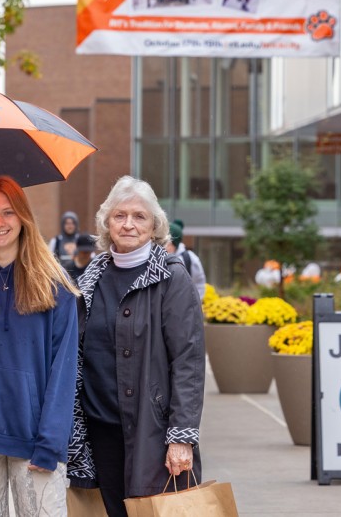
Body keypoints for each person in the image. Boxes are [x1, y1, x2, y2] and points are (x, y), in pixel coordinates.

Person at [67, 176, 206, 516]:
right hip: (100, 431)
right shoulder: (90, 279)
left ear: (154, 225)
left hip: (153, 432)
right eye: (119, 215)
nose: (128, 224)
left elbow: (188, 361)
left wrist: (182, 436)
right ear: (106, 222)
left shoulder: (171, 278)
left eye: (139, 216)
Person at [0, 176, 79, 516]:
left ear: (23, 217)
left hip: (34, 436)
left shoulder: (55, 287)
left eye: (7, 212)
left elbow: (64, 371)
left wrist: (51, 441)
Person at [168, 219, 206, 299]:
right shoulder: (156, 257)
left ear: (175, 244)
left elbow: (199, 283)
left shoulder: (189, 258)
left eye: (168, 243)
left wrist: (195, 304)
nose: (164, 246)